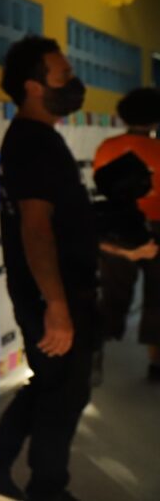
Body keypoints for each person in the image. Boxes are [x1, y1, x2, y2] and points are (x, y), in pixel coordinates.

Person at [0, 37, 157, 501]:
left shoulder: (41, 138)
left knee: (50, 386)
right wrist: (57, 306)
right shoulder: (33, 142)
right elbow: (36, 230)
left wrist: (124, 252)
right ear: (34, 86)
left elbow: (65, 224)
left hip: (60, 291)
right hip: (54, 296)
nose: (73, 82)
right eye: (63, 75)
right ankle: (47, 488)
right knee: (63, 396)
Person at [93, 87, 160, 380]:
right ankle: (155, 363)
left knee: (111, 294)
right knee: (157, 297)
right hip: (155, 229)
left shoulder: (107, 147)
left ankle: (96, 352)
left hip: (116, 228)